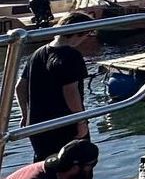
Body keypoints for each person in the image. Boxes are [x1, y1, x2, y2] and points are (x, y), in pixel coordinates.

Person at [17, 12, 95, 162]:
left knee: (45, 166)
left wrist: (25, 114)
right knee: (78, 165)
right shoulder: (71, 56)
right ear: (79, 34)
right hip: (64, 124)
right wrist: (81, 121)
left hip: (38, 124)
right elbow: (70, 92)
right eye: (86, 35)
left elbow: (20, 86)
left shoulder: (37, 53)